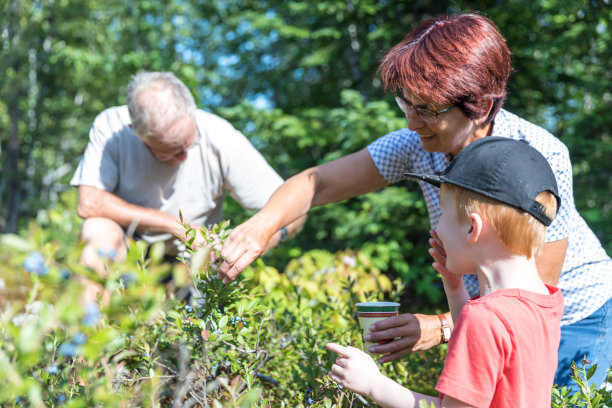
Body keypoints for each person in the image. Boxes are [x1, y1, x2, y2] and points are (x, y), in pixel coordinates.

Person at [219, 13, 612, 389]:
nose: (411, 122)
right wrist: (261, 226)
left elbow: (536, 290)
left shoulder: (539, 156)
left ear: (482, 107)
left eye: (426, 110)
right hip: (486, 315)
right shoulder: (416, 146)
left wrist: (440, 327)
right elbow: (317, 183)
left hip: (577, 317)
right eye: (406, 104)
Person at [327, 136, 564, 407]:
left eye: (444, 214)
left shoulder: (484, 318)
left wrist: (374, 383)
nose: (437, 228)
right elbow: (491, 348)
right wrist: (455, 287)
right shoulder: (546, 301)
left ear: (472, 229)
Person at [71, 71, 304, 283]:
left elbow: (294, 210)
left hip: (195, 266)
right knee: (97, 230)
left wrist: (255, 239)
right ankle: (89, 327)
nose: (183, 158)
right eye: (169, 153)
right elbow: (89, 203)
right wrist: (177, 226)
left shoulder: (220, 137)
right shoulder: (111, 127)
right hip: (130, 252)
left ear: (191, 112)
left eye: (188, 145)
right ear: (136, 132)